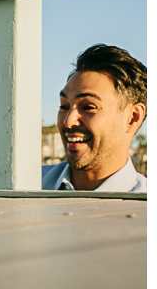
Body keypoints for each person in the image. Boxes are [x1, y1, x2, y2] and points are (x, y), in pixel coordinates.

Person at [43, 44, 146, 193]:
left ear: (132, 118)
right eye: (64, 106)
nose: (68, 121)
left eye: (88, 107)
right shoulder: (20, 185)